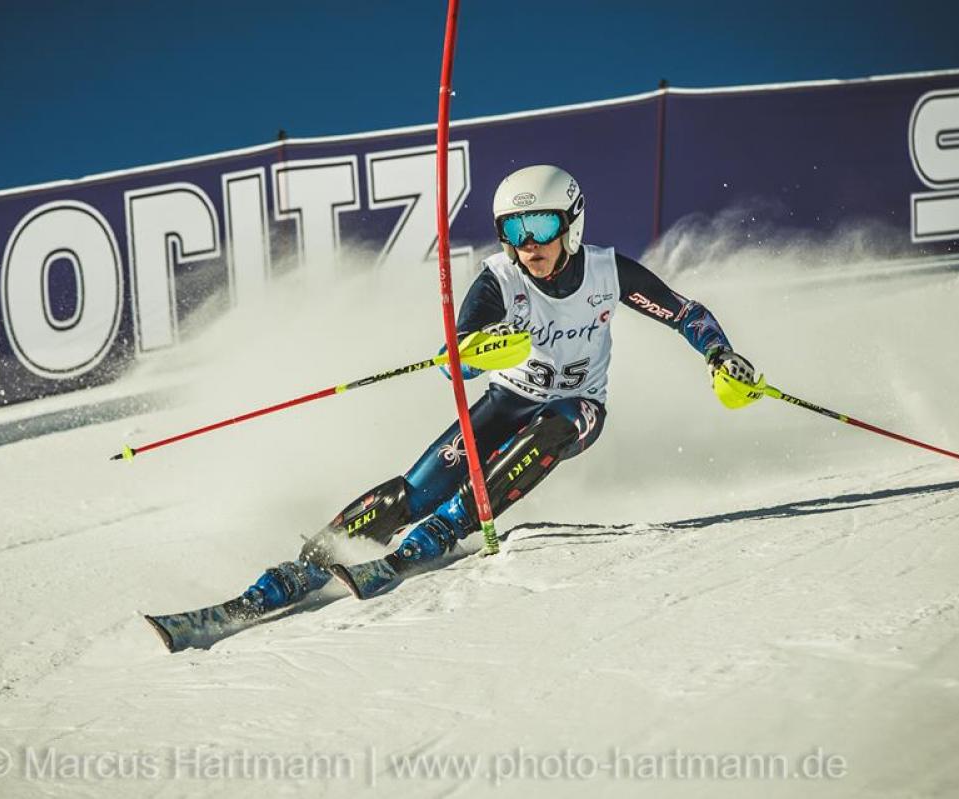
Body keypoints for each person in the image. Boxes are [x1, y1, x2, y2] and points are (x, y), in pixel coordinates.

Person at [146, 165, 756, 650]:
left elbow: (685, 312)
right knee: (413, 490)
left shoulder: (606, 270)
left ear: (571, 224)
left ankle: (451, 526)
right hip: (503, 402)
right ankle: (308, 564)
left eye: (541, 228)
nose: (529, 245)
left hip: (577, 408)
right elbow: (454, 357)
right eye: (515, 232)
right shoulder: (499, 279)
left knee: (554, 426)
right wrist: (481, 350)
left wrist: (720, 357)